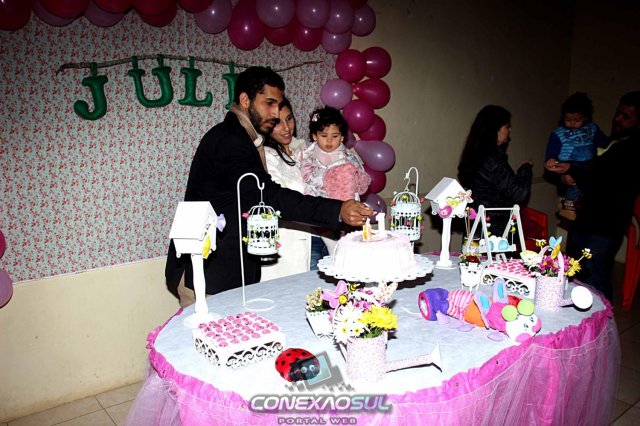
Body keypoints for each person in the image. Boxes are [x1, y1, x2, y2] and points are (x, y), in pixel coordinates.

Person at [165, 67, 373, 306]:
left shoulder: (243, 137)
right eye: (269, 104)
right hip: (208, 273)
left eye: (279, 105)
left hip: (226, 271)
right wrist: (336, 209)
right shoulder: (231, 140)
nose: (275, 113)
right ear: (245, 100)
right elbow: (268, 197)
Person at [546, 91, 640, 301]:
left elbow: (602, 179)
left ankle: (603, 321)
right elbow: (589, 170)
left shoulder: (633, 149)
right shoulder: (612, 142)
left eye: (626, 116)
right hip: (584, 220)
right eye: (618, 113)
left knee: (595, 287)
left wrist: (572, 169)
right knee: (573, 277)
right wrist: (567, 174)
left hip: (604, 228)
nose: (618, 118)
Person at [298, 106, 371, 253]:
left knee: (346, 250)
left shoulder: (349, 158)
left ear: (342, 137)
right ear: (314, 136)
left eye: (335, 136)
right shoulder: (306, 155)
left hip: (343, 211)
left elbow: (361, 184)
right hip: (315, 212)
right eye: (324, 135)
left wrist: (357, 178)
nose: (329, 140)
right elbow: (304, 176)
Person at [457, 105, 534, 236]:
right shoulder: (492, 159)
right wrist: (526, 168)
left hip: (477, 223)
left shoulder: (475, 153)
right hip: (493, 228)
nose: (510, 130)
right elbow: (519, 193)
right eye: (507, 126)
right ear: (495, 129)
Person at [261, 97, 313, 280]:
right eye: (277, 122)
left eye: (289, 118)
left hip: (321, 236)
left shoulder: (305, 150)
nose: (286, 127)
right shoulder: (266, 156)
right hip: (289, 244)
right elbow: (281, 197)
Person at [544, 92, 609, 220]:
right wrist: (551, 158)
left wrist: (611, 144)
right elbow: (552, 148)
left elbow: (604, 143)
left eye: (577, 120)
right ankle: (568, 203)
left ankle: (566, 200)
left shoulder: (591, 129)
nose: (572, 123)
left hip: (589, 163)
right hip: (568, 162)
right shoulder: (559, 132)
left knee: (587, 183)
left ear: (585, 118)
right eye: (568, 120)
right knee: (574, 181)